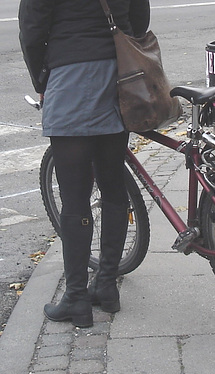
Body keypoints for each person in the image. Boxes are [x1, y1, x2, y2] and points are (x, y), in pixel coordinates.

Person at [19, 0, 151, 328]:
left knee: (76, 197)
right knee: (113, 186)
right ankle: (106, 286)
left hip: (72, 75)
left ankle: (76, 297)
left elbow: (32, 33)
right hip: (119, 76)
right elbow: (139, 17)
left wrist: (43, 81)